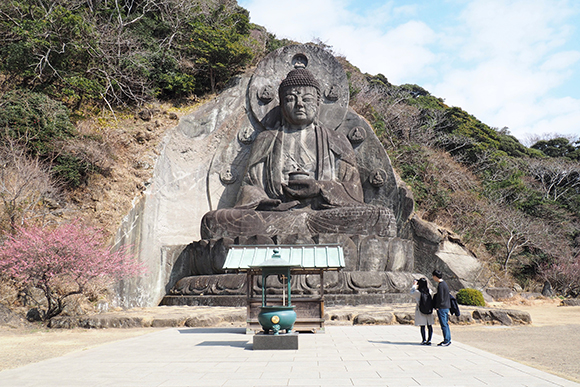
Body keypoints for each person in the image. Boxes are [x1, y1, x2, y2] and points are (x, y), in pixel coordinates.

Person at [201, 66, 394, 239]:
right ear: (283, 105)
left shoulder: (336, 140)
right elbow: (251, 187)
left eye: (307, 99)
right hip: (276, 217)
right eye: (291, 99)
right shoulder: (266, 138)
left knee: (380, 217)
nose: (299, 104)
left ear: (318, 103)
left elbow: (353, 191)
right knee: (214, 221)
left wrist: (320, 188)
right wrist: (268, 202)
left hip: (322, 216)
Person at [411, 278, 434, 345]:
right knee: (429, 325)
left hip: (420, 309)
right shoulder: (429, 291)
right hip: (429, 309)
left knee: (422, 325)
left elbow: (411, 293)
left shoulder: (418, 292)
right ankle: (429, 340)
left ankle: (424, 339)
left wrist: (414, 285)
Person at [432, 269, 451, 346]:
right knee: (446, 324)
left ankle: (446, 340)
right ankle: (448, 339)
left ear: (436, 276)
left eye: (433, 276)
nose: (433, 278)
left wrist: (437, 306)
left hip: (442, 307)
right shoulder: (445, 284)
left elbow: (441, 297)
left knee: (443, 324)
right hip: (446, 306)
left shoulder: (441, 285)